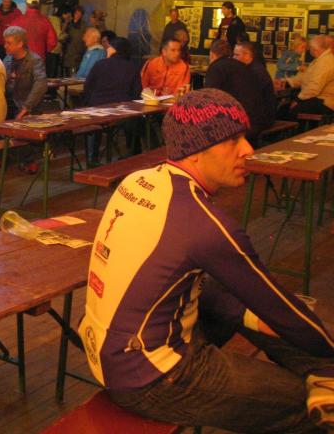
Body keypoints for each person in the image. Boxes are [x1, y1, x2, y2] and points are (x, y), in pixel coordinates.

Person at [80, 88, 334, 433]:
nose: (248, 150)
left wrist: (250, 316)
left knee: (238, 300)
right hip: (149, 377)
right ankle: (322, 375)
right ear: (197, 151)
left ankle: (319, 372)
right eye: (233, 140)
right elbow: (279, 308)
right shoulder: (204, 224)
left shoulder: (138, 180)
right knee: (305, 402)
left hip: (105, 350)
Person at [83, 37, 143, 163]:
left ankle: (92, 159)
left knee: (94, 128)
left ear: (114, 49)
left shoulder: (100, 64)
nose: (107, 49)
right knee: (137, 121)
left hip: (97, 110)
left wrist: (89, 104)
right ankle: (133, 155)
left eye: (109, 47)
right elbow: (137, 92)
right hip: (122, 113)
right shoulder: (132, 67)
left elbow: (88, 87)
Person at [205, 39, 268, 140]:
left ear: (212, 54)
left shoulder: (216, 68)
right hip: (257, 118)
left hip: (239, 122)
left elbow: (209, 98)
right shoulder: (242, 66)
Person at [277, 34, 334, 120]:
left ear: (315, 49)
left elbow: (313, 88)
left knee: (289, 113)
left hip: (324, 102)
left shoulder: (325, 62)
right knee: (282, 110)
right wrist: (286, 82)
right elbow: (304, 78)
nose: (308, 50)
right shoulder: (320, 59)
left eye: (309, 47)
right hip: (315, 99)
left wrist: (297, 101)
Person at [2, 26, 47, 120]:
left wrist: (26, 108)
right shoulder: (7, 59)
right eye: (5, 42)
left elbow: (40, 85)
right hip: (8, 106)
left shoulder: (35, 60)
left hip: (27, 109)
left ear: (20, 44)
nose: (5, 46)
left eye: (9, 43)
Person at [234, 40, 277, 137]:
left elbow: (250, 101)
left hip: (261, 119)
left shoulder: (253, 72)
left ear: (247, 55)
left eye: (237, 55)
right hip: (262, 115)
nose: (233, 58)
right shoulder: (254, 68)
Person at [10, 0, 57, 67]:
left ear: (27, 5)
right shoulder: (45, 21)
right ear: (38, 5)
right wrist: (44, 50)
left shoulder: (17, 21)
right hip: (39, 59)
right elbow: (52, 41)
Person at [64, 5, 87, 76]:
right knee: (67, 73)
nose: (78, 15)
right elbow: (63, 34)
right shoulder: (69, 23)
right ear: (74, 13)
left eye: (80, 13)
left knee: (74, 74)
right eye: (76, 13)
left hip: (78, 53)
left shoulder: (84, 25)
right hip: (68, 52)